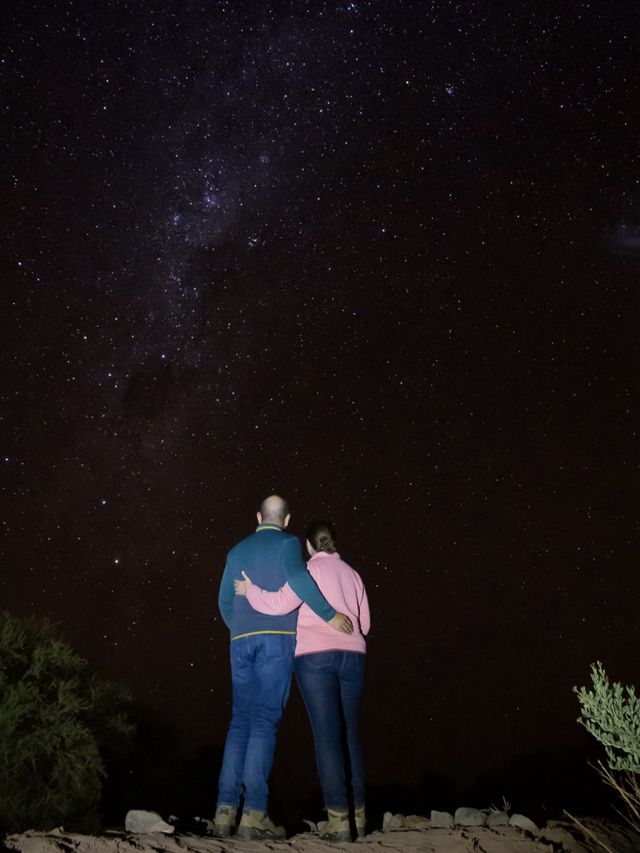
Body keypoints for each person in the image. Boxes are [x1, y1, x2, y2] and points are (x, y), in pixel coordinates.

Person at [212, 496, 353, 840]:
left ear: (258, 516)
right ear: (286, 520)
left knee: (240, 720)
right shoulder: (289, 543)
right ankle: (254, 814)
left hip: (240, 642)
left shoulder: (235, 551)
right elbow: (300, 580)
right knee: (263, 720)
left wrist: (241, 627)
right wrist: (330, 615)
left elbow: (223, 602)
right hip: (275, 639)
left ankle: (224, 812)